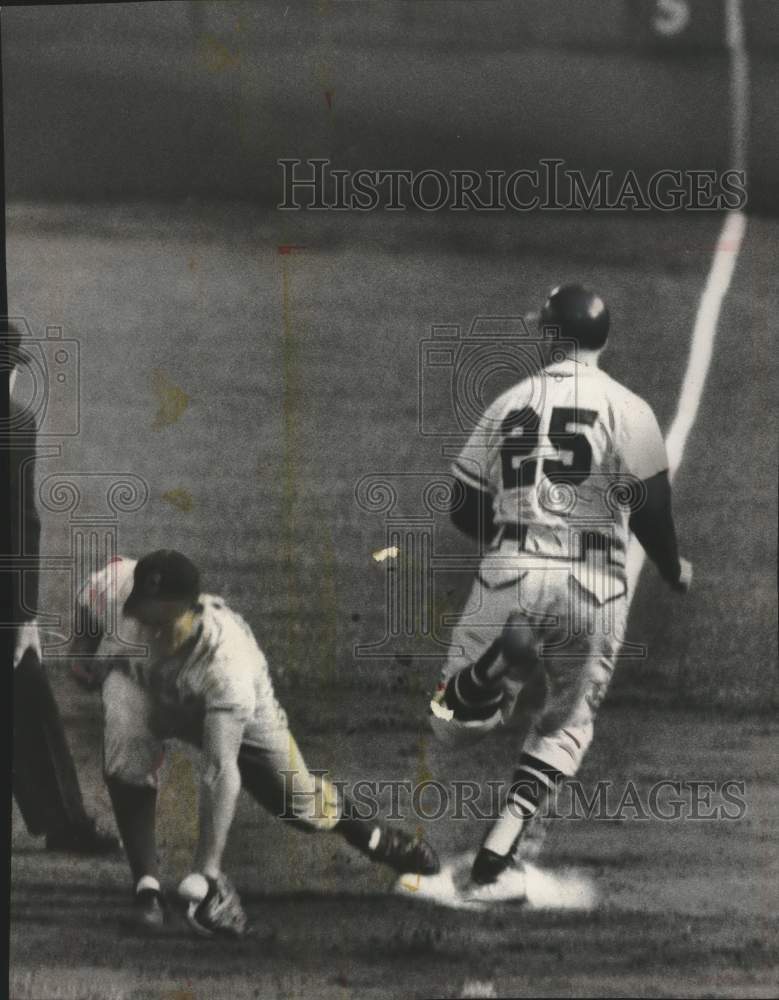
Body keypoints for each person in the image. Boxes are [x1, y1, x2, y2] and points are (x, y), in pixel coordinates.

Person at [422, 284, 691, 904]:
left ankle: (493, 668)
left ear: (550, 336)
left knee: (450, 726)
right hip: (595, 585)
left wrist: (509, 543)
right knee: (567, 726)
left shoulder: (509, 403)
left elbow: (463, 502)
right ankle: (495, 864)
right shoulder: (630, 408)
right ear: (603, 340)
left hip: (512, 569)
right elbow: (651, 511)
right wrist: (673, 570)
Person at [70, 550, 439, 933]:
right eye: (140, 609)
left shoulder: (228, 662)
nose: (145, 622)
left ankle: (371, 835)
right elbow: (89, 596)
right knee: (124, 735)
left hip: (230, 712)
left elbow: (219, 770)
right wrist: (80, 653)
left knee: (300, 805)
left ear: (188, 610)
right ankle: (146, 888)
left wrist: (206, 871)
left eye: (158, 616)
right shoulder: (118, 590)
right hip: (148, 693)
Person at [4, 321, 118, 854]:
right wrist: (25, 616)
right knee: (26, 695)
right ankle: (65, 821)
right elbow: (20, 522)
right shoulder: (13, 422)